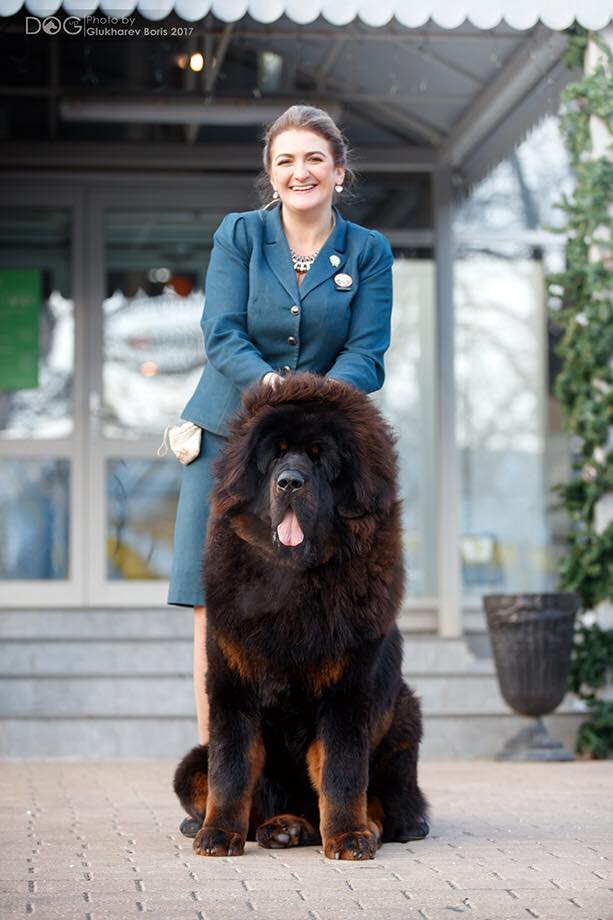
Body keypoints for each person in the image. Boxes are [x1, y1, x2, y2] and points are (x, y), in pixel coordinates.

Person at [167, 103, 394, 758]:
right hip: (227, 440)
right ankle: (222, 774)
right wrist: (270, 387)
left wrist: (310, 404)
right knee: (214, 603)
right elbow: (222, 334)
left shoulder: (369, 251)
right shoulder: (239, 235)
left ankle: (299, 771)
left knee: (315, 598)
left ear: (339, 171)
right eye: (286, 160)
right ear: (270, 174)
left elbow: (367, 353)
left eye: (315, 158)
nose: (301, 172)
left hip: (318, 452)